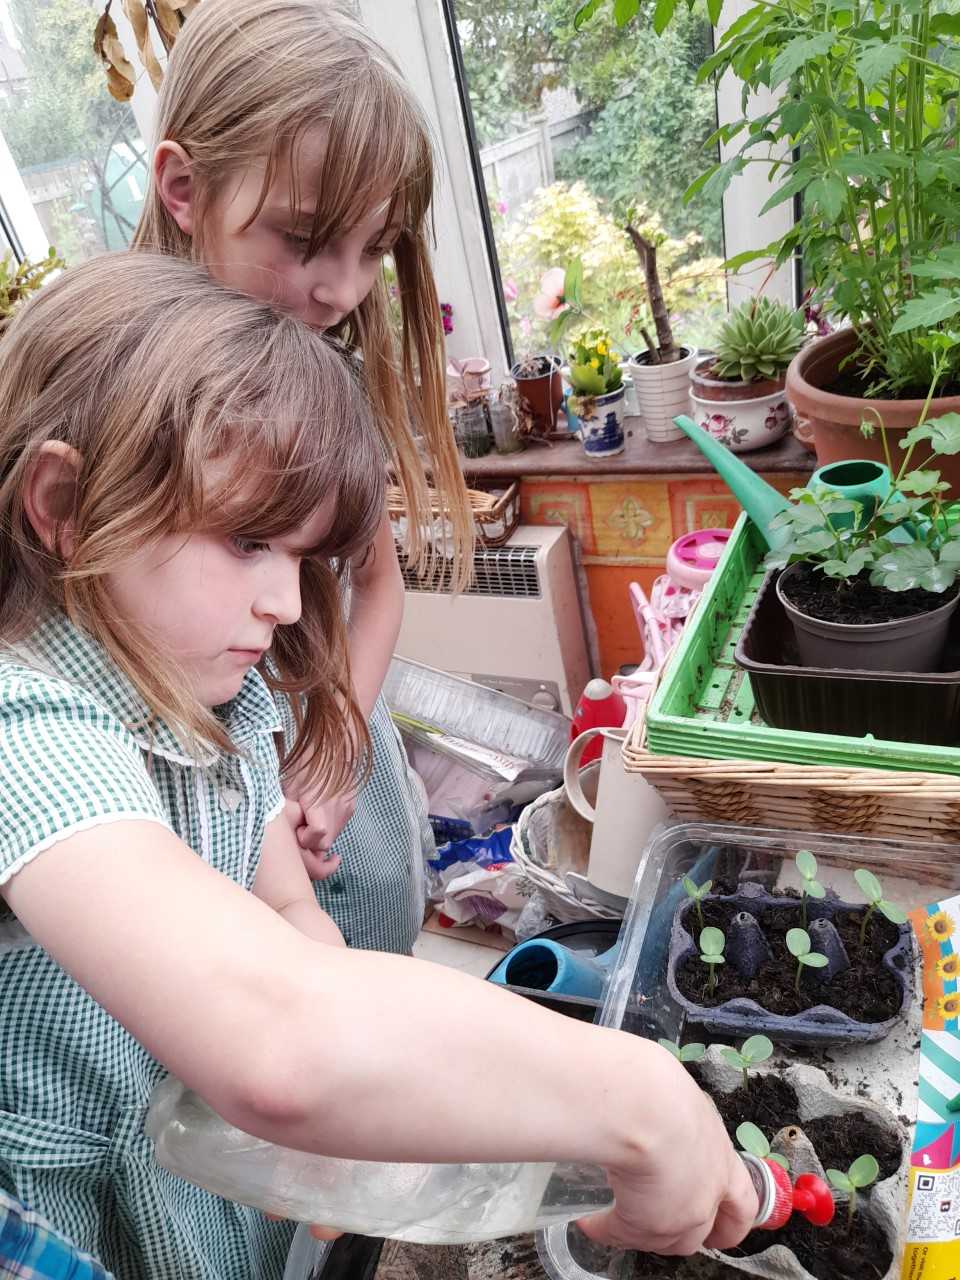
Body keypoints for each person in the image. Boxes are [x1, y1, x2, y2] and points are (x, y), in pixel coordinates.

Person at [0, 252, 756, 1280]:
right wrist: (642, 1095)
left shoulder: (214, 690)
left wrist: (346, 1111)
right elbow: (275, 1034)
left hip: (211, 1177)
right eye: (249, 540)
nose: (283, 600)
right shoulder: (26, 732)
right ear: (65, 503)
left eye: (302, 557)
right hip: (91, 1228)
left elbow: (285, 917)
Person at [132, 0, 475, 955]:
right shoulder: (119, 390)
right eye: (303, 240)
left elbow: (379, 584)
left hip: (332, 783)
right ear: (184, 187)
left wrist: (337, 748)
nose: (343, 291)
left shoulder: (332, 379)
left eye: (373, 250)